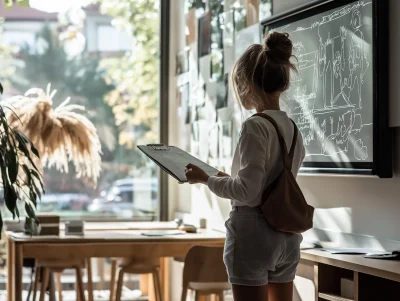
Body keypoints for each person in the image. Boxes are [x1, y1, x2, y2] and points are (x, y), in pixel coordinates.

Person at [185, 32, 306, 301]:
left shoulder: (255, 126)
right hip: (287, 235)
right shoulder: (293, 128)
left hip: (254, 234)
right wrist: (225, 178)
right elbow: (266, 184)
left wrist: (207, 179)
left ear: (247, 84)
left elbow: (249, 193)